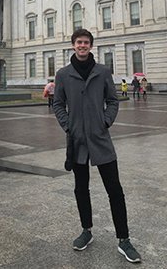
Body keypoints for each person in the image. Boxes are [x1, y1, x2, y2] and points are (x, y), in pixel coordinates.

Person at [53, 29, 141, 263]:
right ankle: (86, 230)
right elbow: (58, 104)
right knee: (81, 189)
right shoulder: (63, 74)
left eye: (86, 43)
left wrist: (105, 121)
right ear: (73, 45)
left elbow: (113, 100)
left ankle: (124, 239)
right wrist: (68, 126)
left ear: (91, 46)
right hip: (77, 140)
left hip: (100, 138)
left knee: (115, 190)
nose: (82, 46)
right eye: (79, 42)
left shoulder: (102, 72)